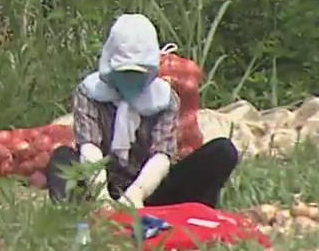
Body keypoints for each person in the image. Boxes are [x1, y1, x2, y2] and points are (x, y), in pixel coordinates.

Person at [46, 14, 239, 209]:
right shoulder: (89, 93)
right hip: (98, 187)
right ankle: (77, 215)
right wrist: (102, 197)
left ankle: (185, 216)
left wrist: (136, 193)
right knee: (62, 158)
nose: (131, 79)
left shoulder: (165, 100)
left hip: (150, 191)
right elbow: (90, 147)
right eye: (124, 72)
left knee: (223, 151)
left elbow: (161, 155)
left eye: (138, 73)